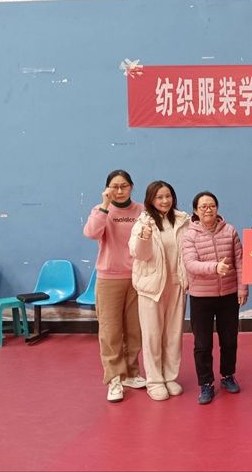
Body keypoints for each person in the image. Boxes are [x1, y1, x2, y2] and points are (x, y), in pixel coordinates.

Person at [83, 169, 145, 403]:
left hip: (137, 278)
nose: (120, 191)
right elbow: (91, 233)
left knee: (134, 330)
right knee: (110, 332)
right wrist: (104, 205)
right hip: (109, 278)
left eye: (124, 186)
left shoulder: (141, 210)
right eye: (115, 186)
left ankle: (131, 374)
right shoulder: (101, 210)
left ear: (131, 187)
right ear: (108, 188)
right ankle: (114, 379)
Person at [182, 191, 248, 405]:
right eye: (203, 207)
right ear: (195, 211)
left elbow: (240, 261)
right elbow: (190, 264)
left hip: (228, 295)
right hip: (201, 297)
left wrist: (242, 289)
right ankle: (206, 383)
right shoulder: (189, 235)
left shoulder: (230, 231)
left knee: (229, 340)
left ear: (217, 208)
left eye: (211, 205)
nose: (208, 210)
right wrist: (215, 267)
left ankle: (227, 375)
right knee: (202, 344)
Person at [129, 180, 190, 401]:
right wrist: (144, 237)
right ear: (151, 200)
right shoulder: (143, 222)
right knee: (152, 335)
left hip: (176, 284)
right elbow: (139, 254)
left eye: (168, 196)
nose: (164, 201)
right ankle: (154, 381)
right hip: (151, 286)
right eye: (159, 197)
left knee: (173, 334)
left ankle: (170, 377)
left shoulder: (183, 220)